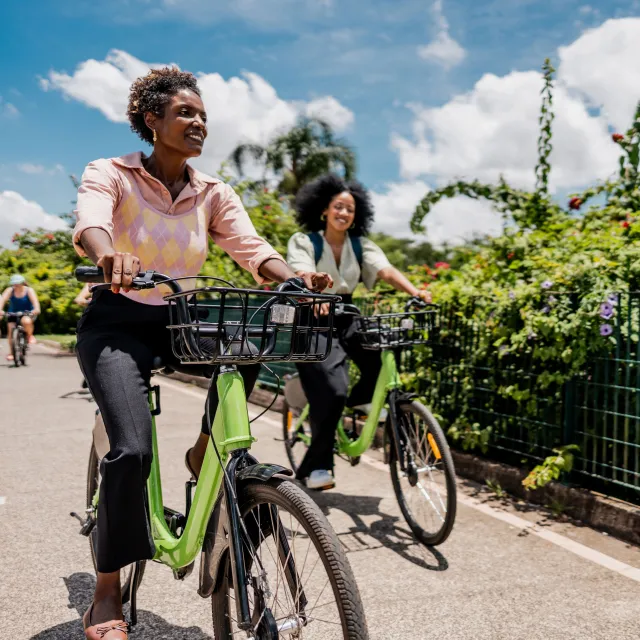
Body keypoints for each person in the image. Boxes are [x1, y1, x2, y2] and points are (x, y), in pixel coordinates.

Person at [73, 67, 331, 640]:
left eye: (204, 116)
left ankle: (206, 455)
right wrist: (109, 254)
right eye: (186, 114)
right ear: (152, 120)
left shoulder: (211, 191)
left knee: (242, 345)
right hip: (115, 320)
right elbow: (91, 220)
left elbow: (250, 246)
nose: (199, 124)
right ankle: (107, 591)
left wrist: (291, 279)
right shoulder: (110, 173)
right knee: (132, 450)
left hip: (178, 320)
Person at [287, 174, 431, 491]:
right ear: (324, 209)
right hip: (312, 315)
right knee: (333, 391)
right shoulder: (304, 241)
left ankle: (347, 408)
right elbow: (300, 270)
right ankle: (319, 465)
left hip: (347, 314)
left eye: (350, 209)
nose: (344, 213)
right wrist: (313, 284)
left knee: (378, 363)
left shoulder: (360, 245)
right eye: (338, 207)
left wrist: (415, 292)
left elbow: (385, 270)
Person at [0, 274, 40, 360]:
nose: (15, 285)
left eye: (17, 283)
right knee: (10, 330)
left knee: (26, 321)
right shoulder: (10, 290)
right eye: (14, 284)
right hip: (13, 313)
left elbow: (35, 303)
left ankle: (29, 335)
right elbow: (2, 300)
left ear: (22, 283)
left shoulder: (29, 290)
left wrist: (36, 309)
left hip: (27, 313)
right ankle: (11, 353)